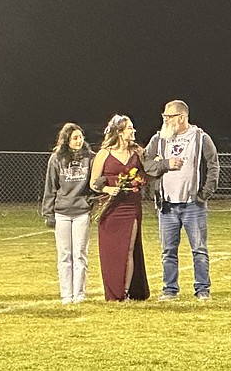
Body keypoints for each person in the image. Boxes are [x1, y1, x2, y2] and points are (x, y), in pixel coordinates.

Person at [144, 99, 219, 302]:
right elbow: (146, 164)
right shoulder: (159, 139)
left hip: (193, 205)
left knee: (199, 250)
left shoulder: (200, 137)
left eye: (169, 117)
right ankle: (170, 290)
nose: (165, 120)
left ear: (181, 117)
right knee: (168, 251)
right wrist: (166, 164)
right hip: (167, 206)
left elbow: (213, 165)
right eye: (164, 117)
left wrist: (204, 193)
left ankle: (202, 290)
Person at [90, 115, 154, 302]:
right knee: (111, 251)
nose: (133, 131)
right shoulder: (104, 154)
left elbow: (148, 174)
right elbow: (93, 183)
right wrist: (109, 189)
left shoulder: (137, 153)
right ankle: (112, 292)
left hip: (130, 206)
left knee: (128, 248)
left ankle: (125, 291)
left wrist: (140, 180)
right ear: (119, 132)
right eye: (129, 128)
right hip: (111, 208)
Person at [41, 122, 94, 304]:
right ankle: (66, 294)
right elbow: (50, 187)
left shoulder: (90, 158)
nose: (79, 141)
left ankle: (79, 293)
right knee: (65, 255)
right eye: (75, 138)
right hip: (62, 212)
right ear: (67, 140)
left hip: (82, 212)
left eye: (81, 137)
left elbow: (95, 183)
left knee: (80, 253)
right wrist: (48, 212)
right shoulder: (56, 159)